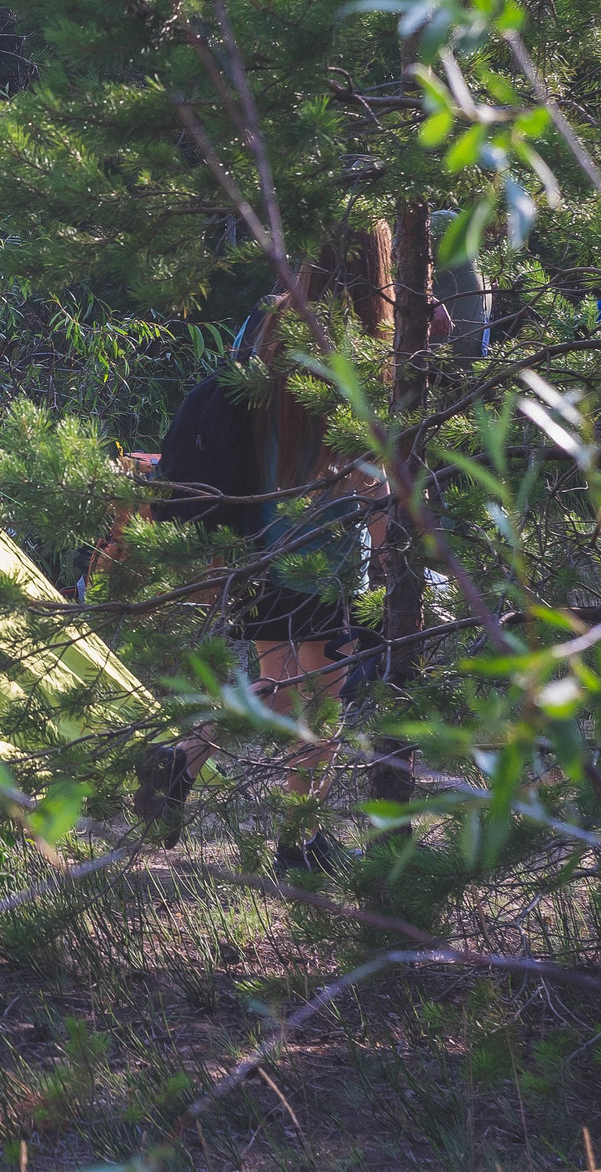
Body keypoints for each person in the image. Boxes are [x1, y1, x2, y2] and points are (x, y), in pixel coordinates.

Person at [134, 225, 400, 872]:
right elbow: (365, 471)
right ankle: (295, 839)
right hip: (324, 557)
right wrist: (388, 536)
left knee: (276, 684)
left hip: (259, 544)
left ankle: (191, 765)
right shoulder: (357, 346)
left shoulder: (272, 327)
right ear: (377, 268)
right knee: (317, 703)